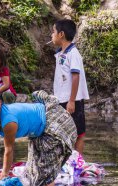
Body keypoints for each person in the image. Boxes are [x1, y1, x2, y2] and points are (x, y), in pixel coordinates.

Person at [0, 90, 77, 186]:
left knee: (44, 179)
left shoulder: (8, 120)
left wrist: (4, 174)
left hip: (54, 123)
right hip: (37, 132)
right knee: (33, 174)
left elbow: (9, 149)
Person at [51, 19, 89, 154]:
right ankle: (65, 161)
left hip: (73, 100)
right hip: (61, 99)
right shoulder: (61, 53)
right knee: (62, 131)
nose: (52, 35)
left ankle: (78, 161)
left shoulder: (73, 53)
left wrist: (72, 100)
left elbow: (75, 76)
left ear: (61, 34)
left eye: (53, 32)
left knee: (78, 133)